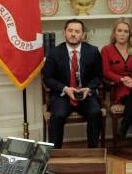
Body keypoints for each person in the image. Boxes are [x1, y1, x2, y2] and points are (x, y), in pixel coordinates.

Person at [42, 19, 103, 149]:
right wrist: (65, 88)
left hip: (85, 94)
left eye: (77, 31)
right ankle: (55, 154)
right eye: (70, 31)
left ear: (83, 34)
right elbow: (48, 78)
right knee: (57, 116)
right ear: (64, 33)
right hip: (63, 95)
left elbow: (98, 77)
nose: (73, 34)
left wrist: (88, 89)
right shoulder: (54, 52)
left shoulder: (93, 51)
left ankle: (93, 153)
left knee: (95, 112)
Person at [101, 19, 132, 159]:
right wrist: (122, 79)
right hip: (122, 90)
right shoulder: (106, 50)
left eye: (126, 31)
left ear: (130, 34)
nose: (122, 34)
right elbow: (106, 72)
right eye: (119, 31)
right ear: (114, 33)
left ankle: (125, 124)